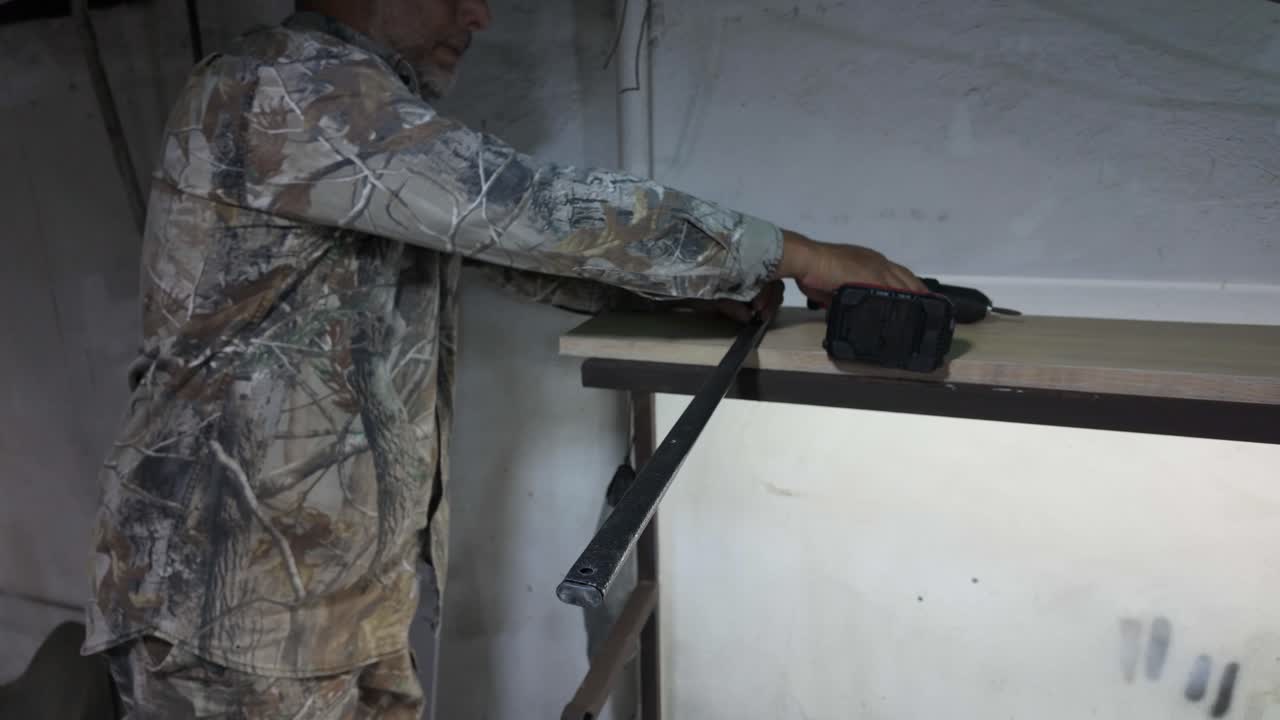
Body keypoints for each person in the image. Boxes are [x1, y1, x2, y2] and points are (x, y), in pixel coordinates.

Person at [81, 0, 925, 716]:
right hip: (231, 610)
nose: (480, 14)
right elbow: (526, 209)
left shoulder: (365, 113)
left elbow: (494, 249)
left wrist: (682, 295)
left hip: (338, 597)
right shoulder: (286, 86)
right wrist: (797, 253)